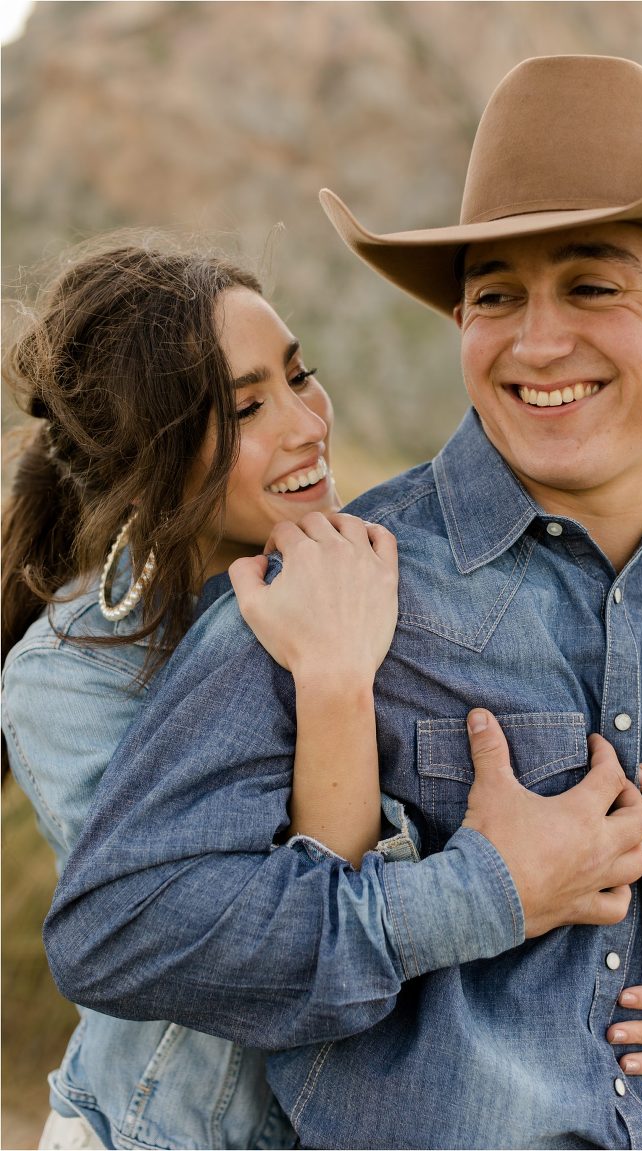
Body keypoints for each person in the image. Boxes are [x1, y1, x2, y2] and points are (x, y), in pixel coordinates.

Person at [42, 56, 642, 1150]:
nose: (536, 342)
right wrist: (486, 891)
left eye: (592, 284)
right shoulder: (329, 590)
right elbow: (121, 930)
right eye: (494, 295)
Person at [1, 238, 405, 1149]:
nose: (308, 423)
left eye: (302, 377)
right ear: (151, 452)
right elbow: (281, 936)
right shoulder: (68, 681)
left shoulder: (363, 579)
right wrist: (334, 680)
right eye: (250, 406)